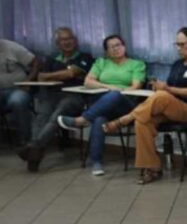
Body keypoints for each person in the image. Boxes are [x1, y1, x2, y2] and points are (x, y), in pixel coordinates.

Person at [97, 27, 187, 184]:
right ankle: (152, 168)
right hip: (169, 106)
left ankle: (124, 119)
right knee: (142, 122)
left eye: (183, 44)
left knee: (162, 96)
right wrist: (159, 87)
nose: (179, 48)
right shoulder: (177, 64)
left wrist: (167, 89)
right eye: (177, 45)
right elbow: (167, 90)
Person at [58, 34, 146, 176]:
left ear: (124, 46)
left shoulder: (136, 64)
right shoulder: (101, 63)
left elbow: (136, 86)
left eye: (118, 45)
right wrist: (109, 86)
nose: (115, 49)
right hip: (104, 104)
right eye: (111, 47)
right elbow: (88, 82)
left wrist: (117, 91)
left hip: (126, 105)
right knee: (99, 119)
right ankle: (96, 162)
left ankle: (82, 120)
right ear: (106, 51)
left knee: (115, 95)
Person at [17, 27, 94, 172]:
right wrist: (62, 74)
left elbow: (73, 73)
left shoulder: (85, 57)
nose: (67, 42)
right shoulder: (51, 59)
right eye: (63, 40)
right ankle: (35, 152)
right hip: (52, 95)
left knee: (56, 114)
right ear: (57, 43)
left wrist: (55, 75)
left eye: (70, 39)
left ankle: (33, 148)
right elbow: (41, 77)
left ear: (75, 41)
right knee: (41, 116)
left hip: (75, 97)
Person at [0, 39, 40, 145]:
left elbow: (36, 62)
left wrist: (28, 81)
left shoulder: (12, 47)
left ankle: (26, 140)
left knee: (18, 101)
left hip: (18, 89)